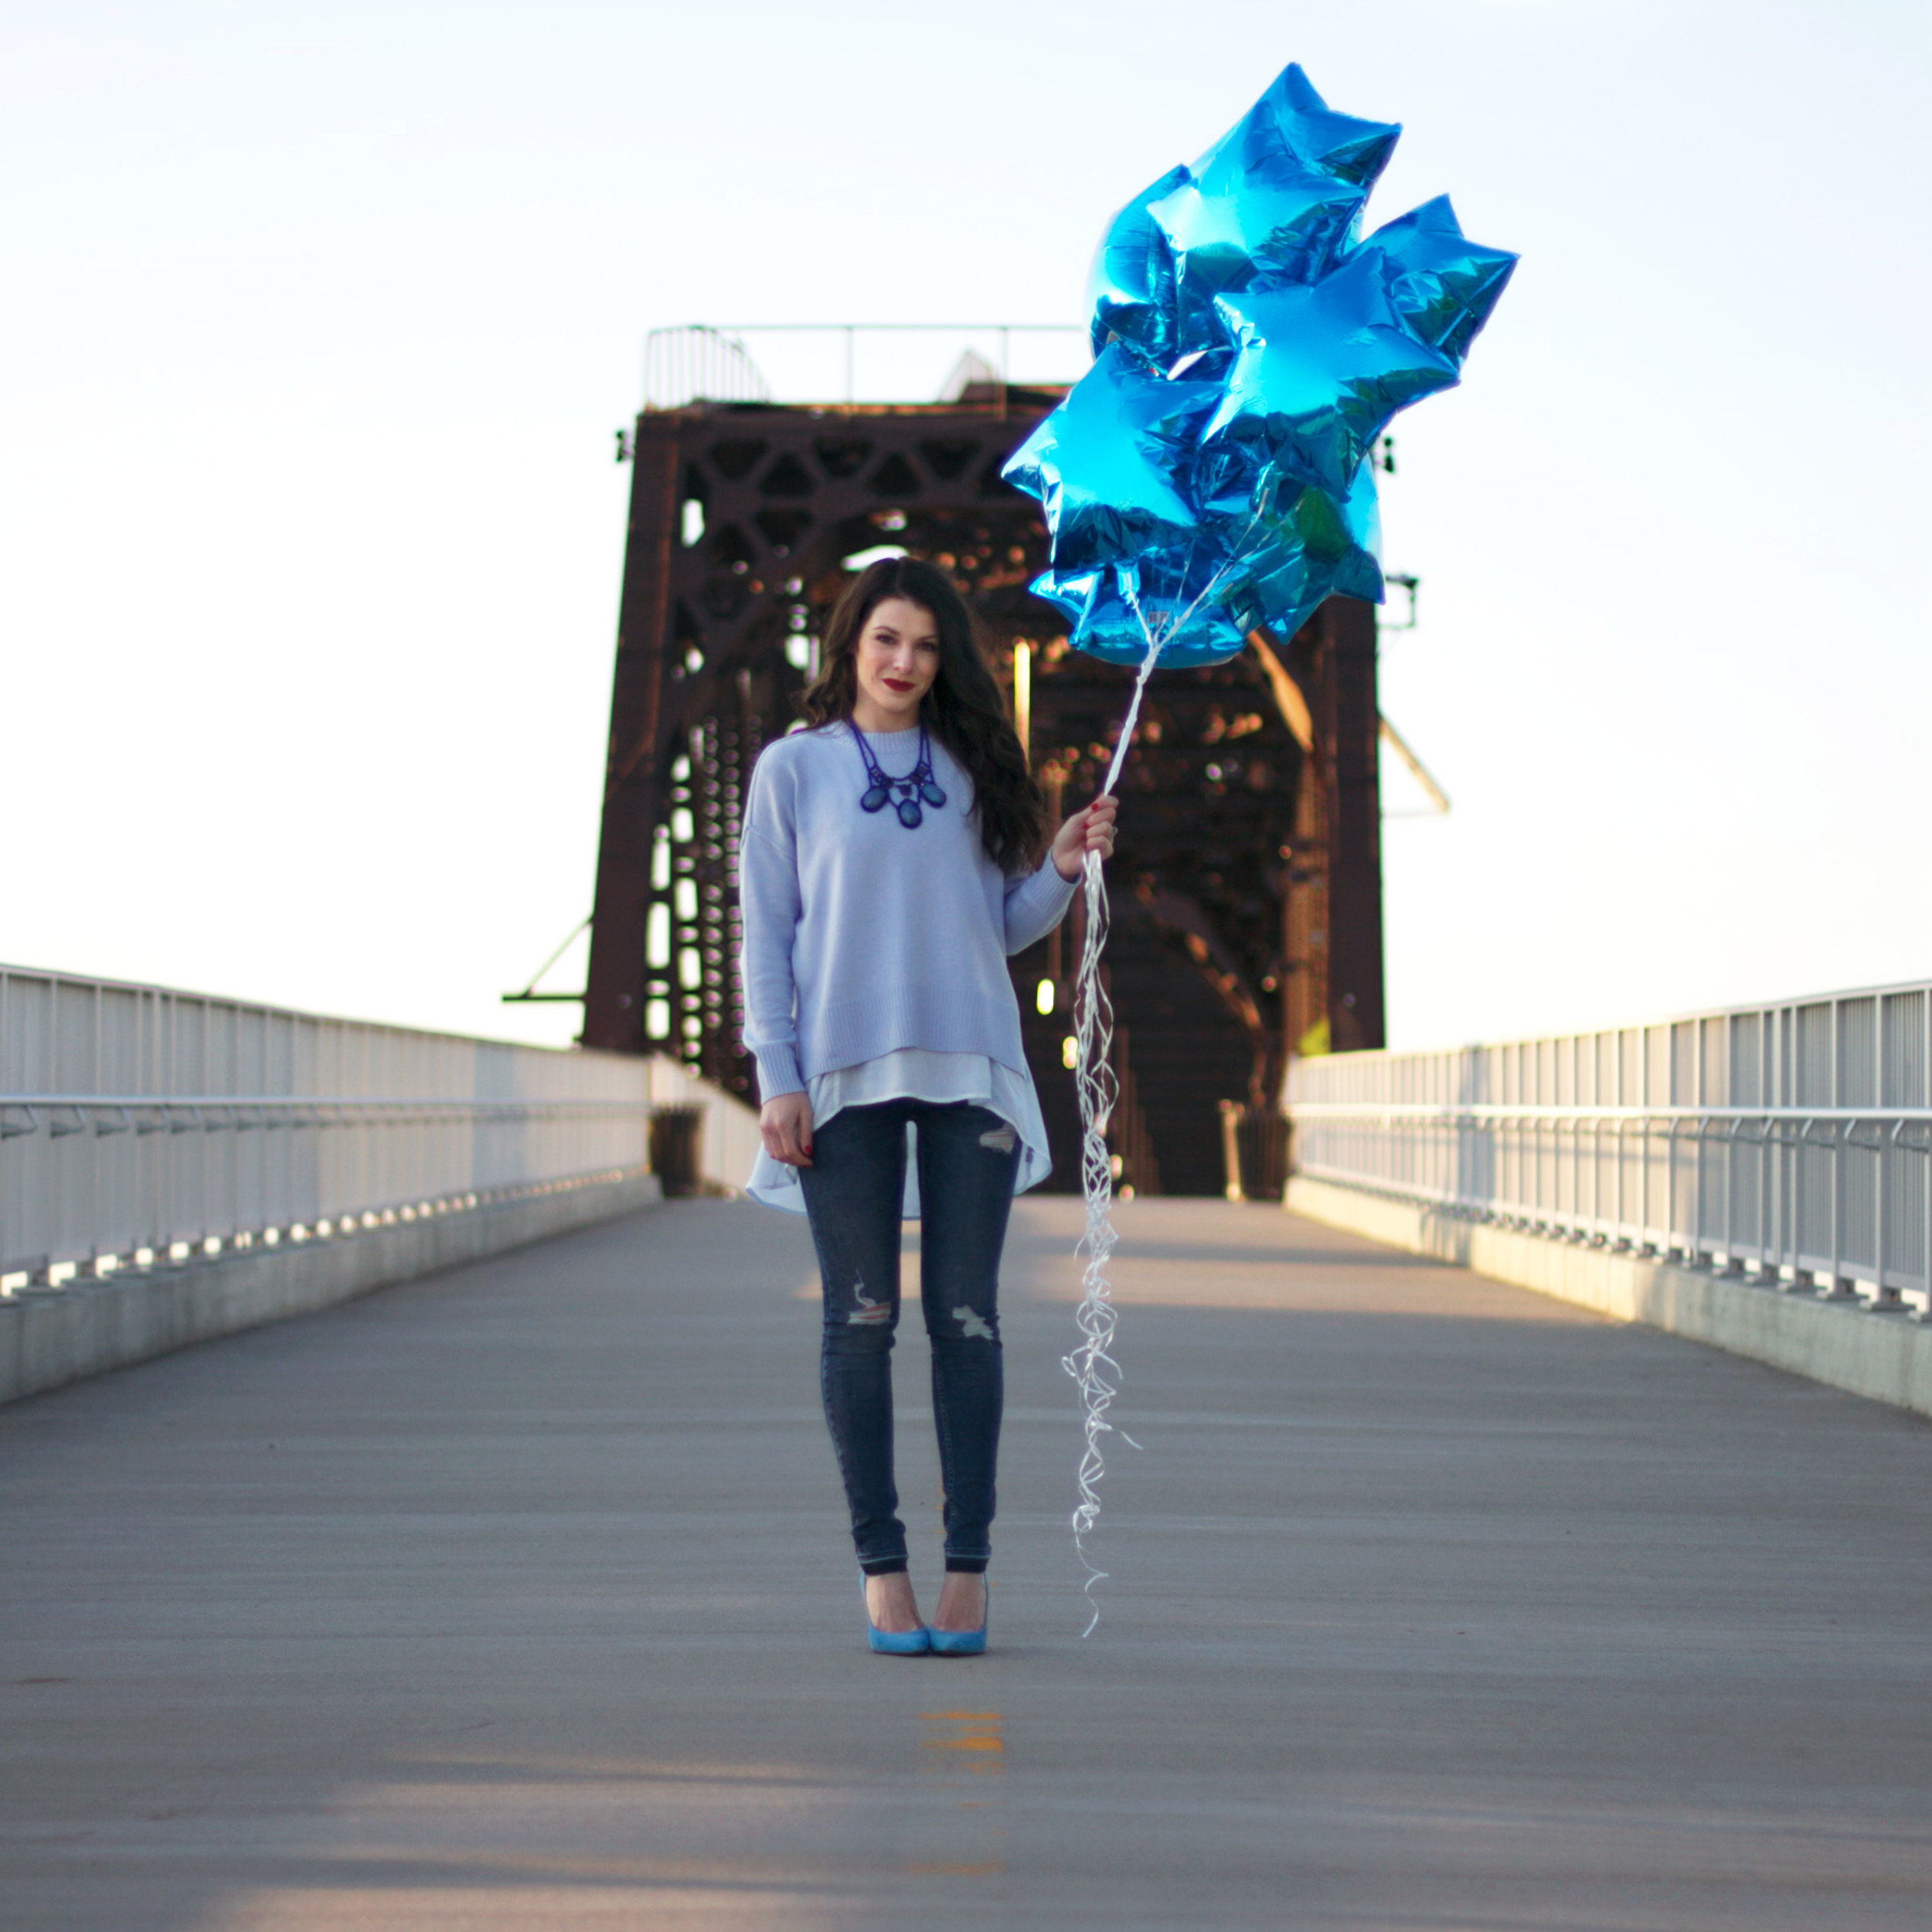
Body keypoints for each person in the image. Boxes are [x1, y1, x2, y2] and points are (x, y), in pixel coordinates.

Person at [736, 556, 1117, 1656]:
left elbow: (998, 925)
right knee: (859, 1325)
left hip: (971, 1071)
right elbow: (767, 934)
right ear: (852, 644)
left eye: (927, 648)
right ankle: (880, 1570)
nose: (905, 663)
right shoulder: (792, 772)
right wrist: (779, 1076)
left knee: (967, 1321)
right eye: (887, 640)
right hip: (842, 1076)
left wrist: (1060, 861)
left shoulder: (970, 764)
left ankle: (969, 1572)